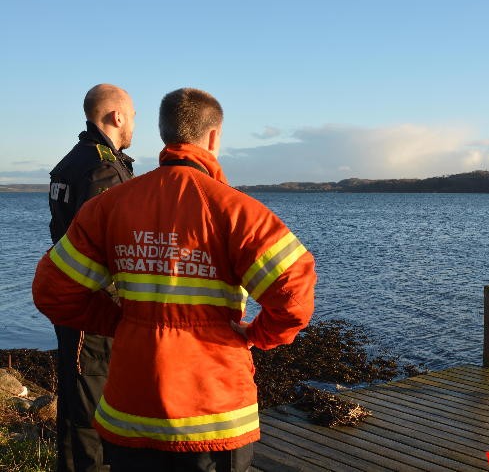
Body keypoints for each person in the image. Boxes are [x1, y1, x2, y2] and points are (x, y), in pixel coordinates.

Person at [33, 88, 316, 472]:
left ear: (164, 133)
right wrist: (257, 336)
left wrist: (121, 322)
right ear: (214, 136)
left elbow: (53, 291)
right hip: (214, 415)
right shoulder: (238, 211)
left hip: (129, 410)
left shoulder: (109, 206)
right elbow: (294, 296)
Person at [48, 83, 135, 472]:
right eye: (132, 115)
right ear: (116, 116)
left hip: (72, 303)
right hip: (94, 312)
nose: (134, 124)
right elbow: (108, 249)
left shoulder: (70, 162)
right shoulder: (102, 168)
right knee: (92, 411)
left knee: (73, 400)